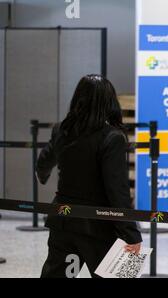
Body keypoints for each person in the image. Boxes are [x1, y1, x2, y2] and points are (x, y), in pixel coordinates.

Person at [37, 74, 142, 278]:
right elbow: (117, 191)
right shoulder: (112, 137)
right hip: (99, 227)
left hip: (63, 220)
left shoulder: (63, 129)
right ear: (109, 101)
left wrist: (42, 175)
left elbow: (43, 163)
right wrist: (131, 233)